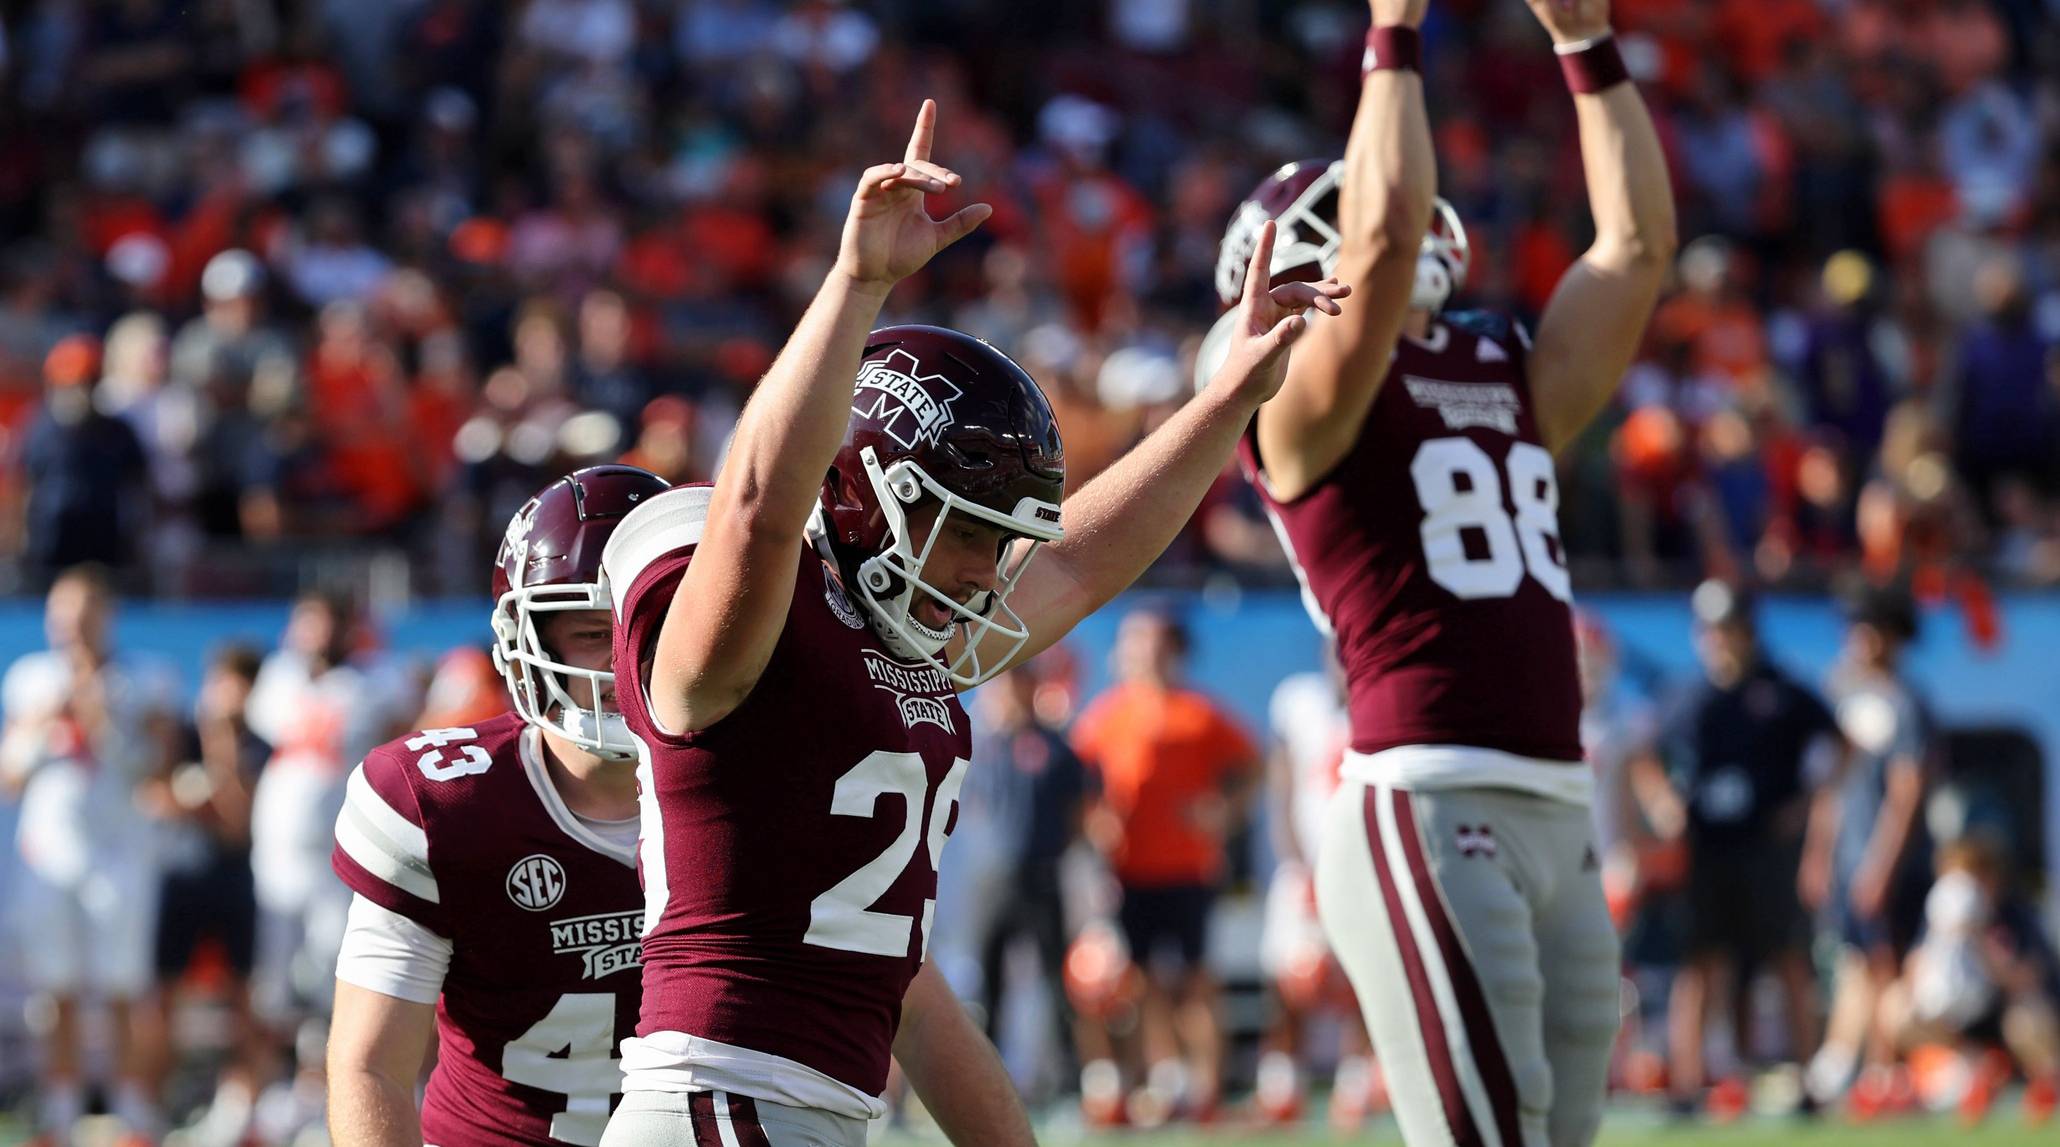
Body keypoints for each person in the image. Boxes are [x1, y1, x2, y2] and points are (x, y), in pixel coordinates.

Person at [596, 100, 1345, 1147]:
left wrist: (1222, 402)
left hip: (800, 1109)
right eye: (963, 530)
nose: (986, 570)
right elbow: (762, 500)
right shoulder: (736, 647)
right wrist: (856, 284)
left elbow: (1078, 562)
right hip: (720, 1101)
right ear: (866, 491)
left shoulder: (905, 640)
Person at [1205, 0, 1675, 1143]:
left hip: (1559, 806)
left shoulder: (1493, 364)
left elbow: (1636, 251)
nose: (1382, 232)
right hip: (1425, 795)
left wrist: (1583, 44)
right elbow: (1377, 238)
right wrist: (1392, 31)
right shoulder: (1294, 403)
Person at [325, 465, 666, 1146]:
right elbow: (371, 1068)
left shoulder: (766, 785)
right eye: (594, 633)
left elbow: (907, 1004)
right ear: (530, 644)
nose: (623, 661)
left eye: (651, 625)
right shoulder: (449, 805)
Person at [1631, 581, 1843, 1115]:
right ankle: (1685, 1084)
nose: (1721, 640)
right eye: (1712, 630)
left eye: (1729, 628)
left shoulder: (1782, 690)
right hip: (1706, 847)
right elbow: (1645, 755)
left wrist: (1807, 803)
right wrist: (1662, 804)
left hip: (1765, 848)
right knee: (1698, 963)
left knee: (1787, 958)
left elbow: (1839, 744)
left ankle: (1805, 1083)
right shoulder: (1684, 693)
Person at [1, 565, 181, 1144]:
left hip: (121, 855)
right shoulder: (30, 680)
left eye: (82, 616)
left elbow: (158, 766)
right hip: (49, 856)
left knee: (124, 986)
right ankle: (60, 1111)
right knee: (57, 990)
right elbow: (10, 775)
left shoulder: (145, 679)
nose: (71, 630)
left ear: (106, 617)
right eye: (62, 617)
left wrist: (101, 714)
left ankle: (131, 1111)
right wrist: (42, 722)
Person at [1071, 609, 1260, 1122]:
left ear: (1173, 651)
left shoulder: (1200, 713)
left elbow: (1252, 767)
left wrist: (1223, 812)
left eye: (1150, 642)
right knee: (1139, 985)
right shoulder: (1106, 715)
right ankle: (1160, 1079)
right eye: (1134, 643)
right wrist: (1096, 825)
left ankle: (1206, 1089)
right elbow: (1081, 785)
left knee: (1197, 982)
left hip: (1189, 868)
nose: (1140, 653)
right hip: (1130, 869)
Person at [1802, 585, 1936, 1110]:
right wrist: (1818, 853)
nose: (1857, 639)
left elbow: (1907, 794)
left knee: (1885, 964)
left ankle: (1883, 1074)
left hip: (1892, 865)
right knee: (1857, 962)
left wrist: (1881, 866)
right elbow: (1829, 787)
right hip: (1848, 859)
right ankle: (1846, 1069)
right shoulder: (1840, 696)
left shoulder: (1907, 703)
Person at [958, 657, 1089, 1098]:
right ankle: (986, 1088)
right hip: (994, 883)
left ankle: (1069, 1088)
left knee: (1056, 987)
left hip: (1043, 878)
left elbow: (1080, 811)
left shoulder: (1055, 745)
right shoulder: (984, 744)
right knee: (989, 989)